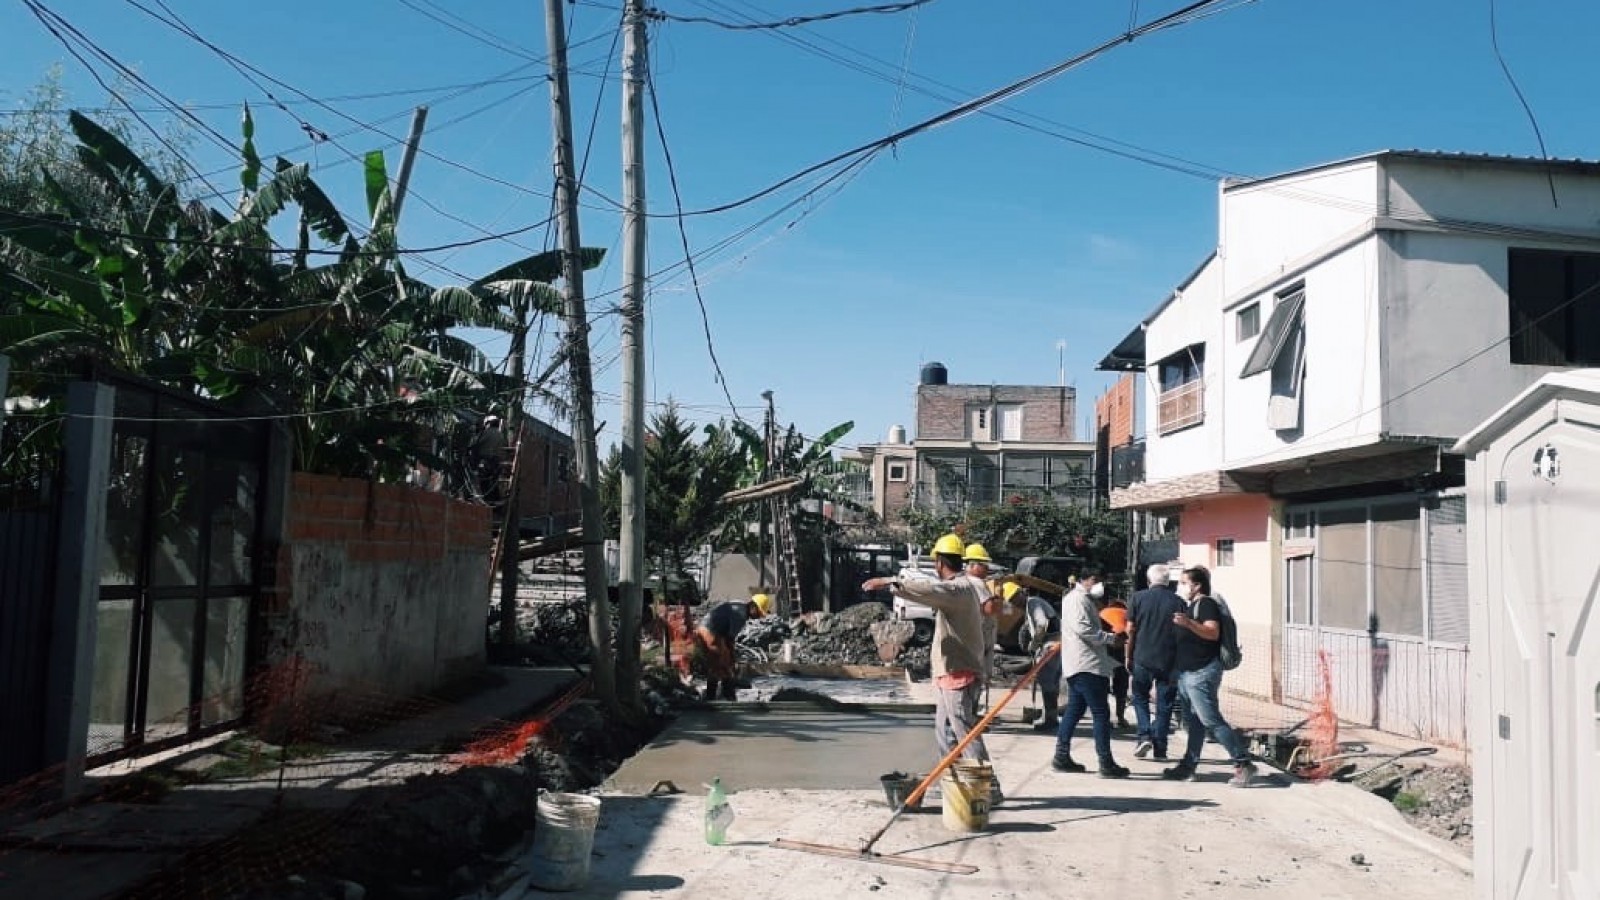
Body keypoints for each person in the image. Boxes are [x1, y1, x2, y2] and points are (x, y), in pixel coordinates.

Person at [863, 533, 1002, 801]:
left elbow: (929, 590)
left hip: (959, 672)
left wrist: (891, 582)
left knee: (963, 731)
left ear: (939, 561)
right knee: (946, 732)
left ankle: (989, 785)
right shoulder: (960, 588)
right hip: (950, 672)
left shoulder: (958, 589)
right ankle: (950, 781)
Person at [1164, 565, 1257, 786]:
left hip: (1202, 672)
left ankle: (1243, 762)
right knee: (1195, 722)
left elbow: (1212, 632)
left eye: (1184, 582)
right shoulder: (1192, 605)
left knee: (1210, 720)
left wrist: (1188, 623)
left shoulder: (1206, 604)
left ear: (1197, 585)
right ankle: (1189, 765)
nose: (1181, 586)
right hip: (1189, 673)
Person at [1050, 571, 1130, 778]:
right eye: (1095, 580)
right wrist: (1112, 639)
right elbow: (1084, 630)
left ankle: (1061, 755)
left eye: (1101, 580)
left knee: (1074, 711)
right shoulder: (1077, 600)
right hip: (1087, 664)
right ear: (1082, 580)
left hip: (1081, 663)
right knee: (1101, 714)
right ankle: (1105, 762)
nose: (1099, 585)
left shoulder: (1082, 599)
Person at [1126, 563, 1184, 760]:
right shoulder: (1179, 602)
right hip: (1170, 659)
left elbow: (1130, 630)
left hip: (1142, 656)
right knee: (1165, 704)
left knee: (1140, 697)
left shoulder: (1138, 598)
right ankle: (1160, 748)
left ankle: (1144, 735)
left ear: (1149, 580)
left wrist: (1128, 655)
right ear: (1168, 581)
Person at [692, 593, 771, 701]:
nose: (757, 617)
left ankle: (720, 696)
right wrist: (732, 659)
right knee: (722, 665)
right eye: (759, 613)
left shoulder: (739, 606)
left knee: (719, 665)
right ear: (753, 607)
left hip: (709, 630)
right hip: (711, 632)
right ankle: (722, 697)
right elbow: (730, 639)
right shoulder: (740, 615)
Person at [1015, 582, 1062, 732]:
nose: (1015, 602)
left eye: (1015, 598)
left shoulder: (1033, 603)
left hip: (1050, 644)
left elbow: (1042, 623)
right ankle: (1051, 717)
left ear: (1022, 593)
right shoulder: (1031, 605)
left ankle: (1051, 719)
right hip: (1053, 643)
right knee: (1050, 683)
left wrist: (1035, 644)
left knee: (1047, 683)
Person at [963, 543, 1000, 692]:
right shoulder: (978, 583)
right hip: (982, 636)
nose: (987, 569)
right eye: (984, 565)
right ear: (974, 566)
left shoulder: (961, 581)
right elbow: (989, 609)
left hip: (968, 636)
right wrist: (997, 597)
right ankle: (973, 710)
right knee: (979, 675)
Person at [1099, 595, 1132, 730]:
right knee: (1121, 687)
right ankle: (1120, 717)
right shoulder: (1127, 614)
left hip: (1104, 650)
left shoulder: (1102, 613)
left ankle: (1104, 717)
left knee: (1102, 686)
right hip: (1120, 651)